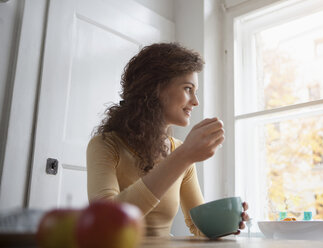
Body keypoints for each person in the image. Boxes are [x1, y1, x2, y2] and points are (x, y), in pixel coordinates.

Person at [86, 42, 249, 237]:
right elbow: (106, 224)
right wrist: (183, 156)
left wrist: (225, 224)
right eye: (188, 89)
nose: (196, 101)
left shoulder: (181, 152)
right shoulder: (105, 145)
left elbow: (199, 227)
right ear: (155, 88)